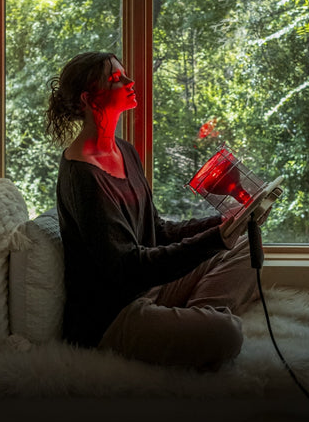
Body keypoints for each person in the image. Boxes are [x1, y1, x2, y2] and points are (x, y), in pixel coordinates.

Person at [46, 51, 259, 370]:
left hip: (151, 287)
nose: (130, 81)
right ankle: (201, 330)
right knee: (228, 334)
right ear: (90, 99)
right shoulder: (82, 177)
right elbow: (128, 268)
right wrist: (215, 238)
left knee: (244, 245)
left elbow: (157, 231)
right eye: (117, 79)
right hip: (114, 314)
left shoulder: (126, 151)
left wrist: (224, 224)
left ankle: (192, 325)